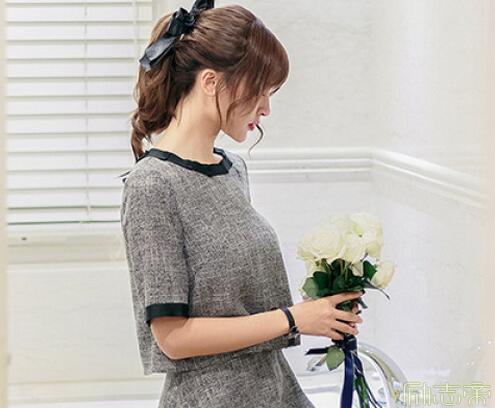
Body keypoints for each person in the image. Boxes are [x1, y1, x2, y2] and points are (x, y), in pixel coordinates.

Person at [119, 1, 364, 407]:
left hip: (271, 388)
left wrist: (316, 313)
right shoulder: (153, 185)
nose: (266, 108)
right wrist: (292, 319)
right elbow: (172, 337)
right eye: (260, 91)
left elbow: (239, 308)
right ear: (211, 82)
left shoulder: (233, 169)